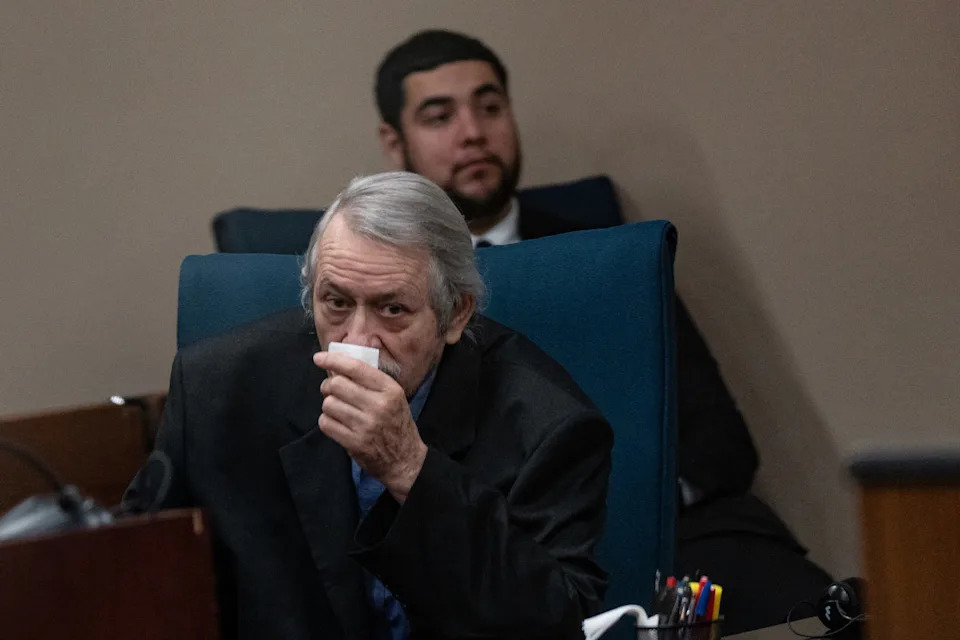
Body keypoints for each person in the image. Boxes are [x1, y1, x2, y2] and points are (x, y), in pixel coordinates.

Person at [374, 29, 833, 634]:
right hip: (480, 544)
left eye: (490, 107)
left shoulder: (614, 258)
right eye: (440, 116)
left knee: (815, 612)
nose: (473, 132)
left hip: (661, 531)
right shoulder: (380, 287)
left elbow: (721, 449)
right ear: (394, 143)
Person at [128, 172, 612, 639]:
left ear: (455, 314)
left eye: (392, 309)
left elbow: (559, 621)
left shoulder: (549, 427)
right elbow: (134, 574)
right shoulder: (216, 390)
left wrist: (411, 471)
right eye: (335, 303)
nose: (357, 342)